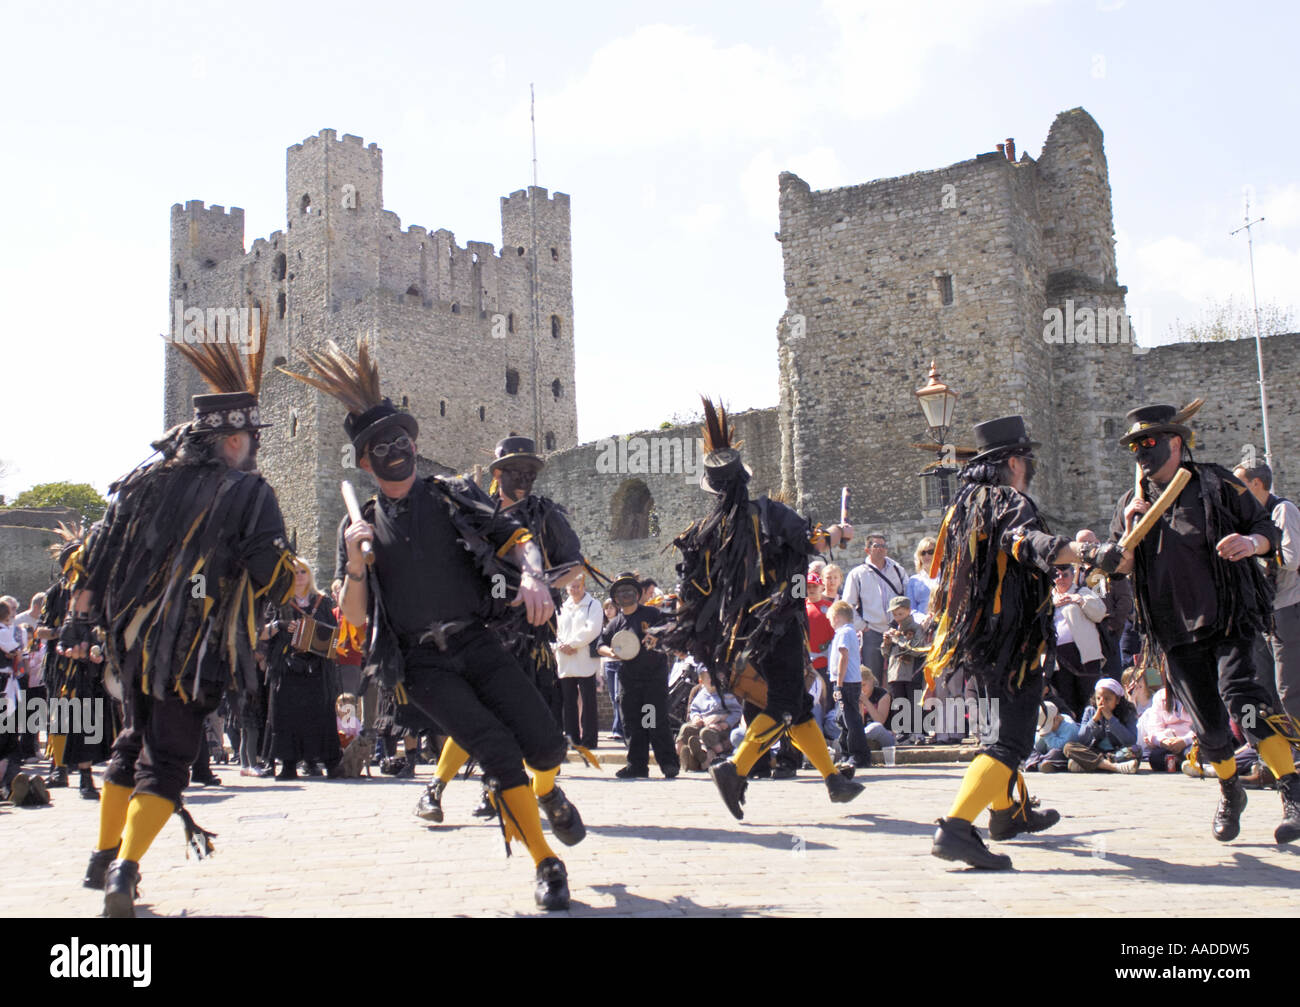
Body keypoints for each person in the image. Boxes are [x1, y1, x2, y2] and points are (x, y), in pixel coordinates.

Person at [285, 340, 584, 910]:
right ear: (366, 462)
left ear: (415, 445)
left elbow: (513, 536)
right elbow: (352, 618)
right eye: (381, 446)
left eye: (401, 440)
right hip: (420, 665)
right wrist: (352, 561)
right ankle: (546, 862)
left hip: (478, 641)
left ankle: (549, 793)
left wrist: (533, 576)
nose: (395, 450)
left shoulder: (451, 496)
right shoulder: (362, 527)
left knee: (546, 745)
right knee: (496, 750)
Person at [74, 333, 299, 917]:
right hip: (195, 651)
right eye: (249, 440)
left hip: (133, 644)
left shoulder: (144, 482)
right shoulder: (250, 491)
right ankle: (125, 871)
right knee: (168, 758)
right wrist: (293, 577)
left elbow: (96, 557)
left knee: (131, 743)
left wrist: (95, 620)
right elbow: (269, 575)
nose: (253, 450)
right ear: (231, 440)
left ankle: (102, 856)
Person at [660, 398, 862, 819]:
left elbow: (693, 591)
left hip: (738, 633)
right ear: (743, 481)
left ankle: (832, 779)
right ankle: (735, 769)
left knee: (800, 708)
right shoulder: (767, 512)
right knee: (785, 706)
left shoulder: (704, 532)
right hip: (778, 625)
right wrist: (838, 534)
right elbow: (811, 540)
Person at [1108, 402, 1299, 844]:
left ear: (1176, 442)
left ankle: (1292, 788)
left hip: (1228, 617)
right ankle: (1230, 789)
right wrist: (1127, 535)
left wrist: (1251, 543)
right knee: (1210, 730)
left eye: (1149, 442)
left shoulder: (1216, 482)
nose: (1141, 452)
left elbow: (1265, 527)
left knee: (1245, 701)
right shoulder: (1129, 504)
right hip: (1172, 630)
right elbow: (1117, 569)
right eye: (1135, 445)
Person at [925, 415, 1110, 869]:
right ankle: (954, 828)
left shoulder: (965, 505)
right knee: (1008, 743)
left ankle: (1008, 813)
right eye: (1028, 458)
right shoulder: (1009, 500)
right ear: (1013, 461)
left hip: (981, 640)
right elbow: (1026, 542)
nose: (1031, 467)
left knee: (996, 731)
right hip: (1012, 645)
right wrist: (1086, 552)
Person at [417, 435, 587, 822]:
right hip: (478, 629)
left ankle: (500, 789)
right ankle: (435, 789)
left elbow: (575, 566)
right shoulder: (474, 511)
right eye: (516, 472)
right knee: (471, 714)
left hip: (529, 635)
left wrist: (540, 586)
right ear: (497, 473)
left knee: (518, 716)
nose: (525, 479)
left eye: (530, 472)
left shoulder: (547, 516)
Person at [1233, 462, 1300, 727]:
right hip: (1261, 610)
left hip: (1286, 606)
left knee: (1289, 686)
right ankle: (1274, 750)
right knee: (1262, 683)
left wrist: (1254, 549)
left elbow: (1292, 558)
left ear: (1257, 484)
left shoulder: (1282, 510)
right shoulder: (1251, 518)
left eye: (1240, 485)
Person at [262, 560, 342, 780]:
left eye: (303, 572)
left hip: (317, 669)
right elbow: (261, 633)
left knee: (321, 715)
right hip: (287, 668)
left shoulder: (322, 602)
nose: (299, 576)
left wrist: (316, 636)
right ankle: (288, 765)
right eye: (295, 572)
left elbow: (334, 636)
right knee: (287, 716)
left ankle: (330, 763)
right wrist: (279, 625)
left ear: (310, 575)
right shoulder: (279, 602)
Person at [598, 574, 679, 779]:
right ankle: (637, 765)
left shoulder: (652, 613)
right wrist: (612, 652)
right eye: (621, 592)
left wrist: (657, 636)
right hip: (630, 679)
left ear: (637, 594)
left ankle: (668, 763)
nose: (626, 595)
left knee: (653, 719)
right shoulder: (616, 623)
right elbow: (600, 645)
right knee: (633, 722)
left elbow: (671, 628)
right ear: (616, 598)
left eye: (629, 591)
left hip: (653, 677)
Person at [843, 533, 909, 685]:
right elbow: (848, 604)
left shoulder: (897, 570)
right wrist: (862, 626)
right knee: (872, 678)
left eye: (883, 546)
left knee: (899, 676)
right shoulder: (857, 574)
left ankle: (895, 707)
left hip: (897, 631)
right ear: (867, 550)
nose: (881, 549)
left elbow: (907, 595)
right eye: (876, 546)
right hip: (872, 632)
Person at [1049, 565, 1106, 719]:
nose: (1060, 578)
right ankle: (1073, 732)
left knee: (1087, 694)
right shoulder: (1048, 598)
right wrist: (1052, 604)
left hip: (1084, 653)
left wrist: (1079, 600)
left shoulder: (1083, 592)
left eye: (1065, 575)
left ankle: (1091, 730)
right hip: (1059, 656)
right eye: (1057, 575)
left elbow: (1100, 613)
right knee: (1065, 695)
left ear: (1072, 575)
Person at [555, 572, 604, 751]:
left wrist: (573, 643)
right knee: (568, 702)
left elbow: (592, 629)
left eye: (578, 586)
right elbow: (556, 629)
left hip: (584, 659)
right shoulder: (561, 607)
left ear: (584, 586)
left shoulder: (593, 605)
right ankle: (572, 738)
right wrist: (561, 644)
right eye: (571, 586)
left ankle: (590, 740)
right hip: (566, 660)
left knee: (589, 701)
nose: (574, 590)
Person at [1061, 678, 1139, 773]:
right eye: (1098, 698)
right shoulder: (1090, 711)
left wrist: (1111, 719)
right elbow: (1082, 738)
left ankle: (1094, 765)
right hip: (1095, 752)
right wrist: (1094, 720)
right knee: (1069, 747)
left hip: (1117, 753)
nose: (1102, 702)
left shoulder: (1128, 712)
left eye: (1107, 699)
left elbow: (1130, 740)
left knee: (1136, 750)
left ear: (1117, 700)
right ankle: (1115, 767)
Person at [827, 600, 868, 769]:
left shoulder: (844, 633)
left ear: (836, 617)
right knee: (842, 718)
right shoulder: (848, 632)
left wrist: (839, 682)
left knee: (851, 720)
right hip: (847, 681)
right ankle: (847, 752)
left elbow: (843, 657)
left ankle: (858, 755)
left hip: (846, 682)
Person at [676, 667, 742, 771]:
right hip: (703, 723)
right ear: (701, 681)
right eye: (708, 678)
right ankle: (677, 756)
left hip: (719, 727)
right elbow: (694, 709)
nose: (712, 681)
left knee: (706, 732)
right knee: (685, 728)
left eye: (714, 678)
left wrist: (725, 722)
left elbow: (736, 711)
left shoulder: (726, 695)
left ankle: (720, 756)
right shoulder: (700, 694)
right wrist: (696, 718)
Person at [1135, 686, 1195, 772]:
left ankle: (1188, 763)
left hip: (1190, 742)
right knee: (1155, 758)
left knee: (1193, 752)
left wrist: (1184, 741)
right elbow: (1154, 728)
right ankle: (1184, 763)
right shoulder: (1160, 695)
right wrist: (1163, 741)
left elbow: (1203, 728)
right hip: (1169, 743)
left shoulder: (1197, 693)